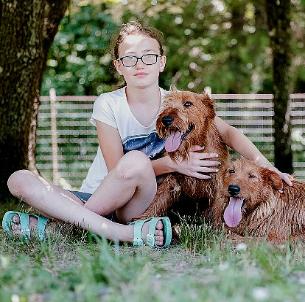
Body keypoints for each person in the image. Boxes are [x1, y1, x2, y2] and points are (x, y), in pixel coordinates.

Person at [2, 21, 293, 247]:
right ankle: (119, 234)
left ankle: (71, 224)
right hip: (96, 196)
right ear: (118, 66)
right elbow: (118, 169)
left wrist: (265, 164)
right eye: (129, 58)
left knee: (137, 162)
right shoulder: (109, 103)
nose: (139, 64)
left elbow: (231, 134)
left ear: (162, 62)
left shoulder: (181, 104)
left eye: (148, 56)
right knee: (19, 179)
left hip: (137, 204)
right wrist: (171, 164)